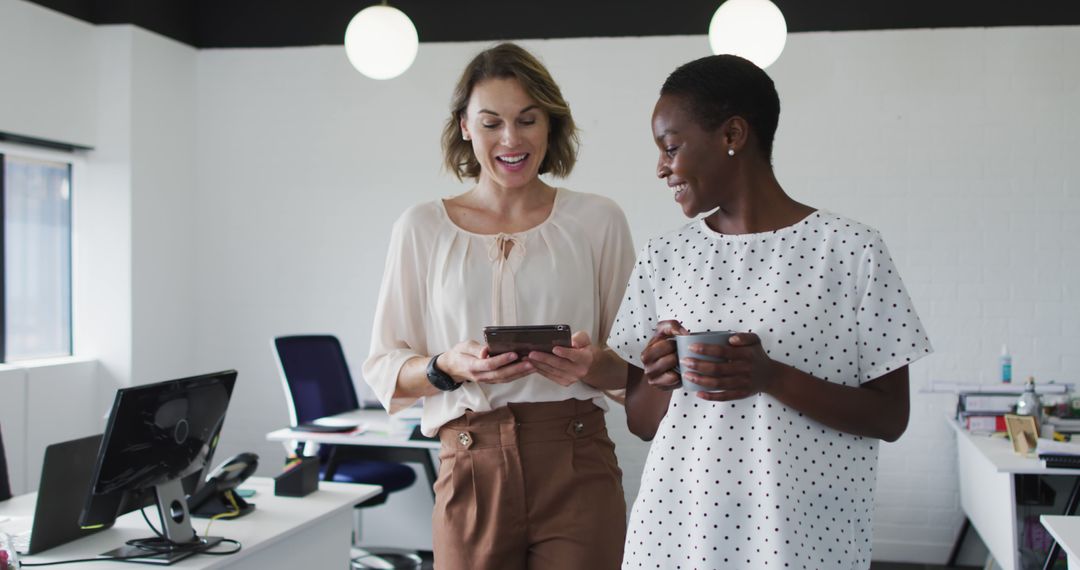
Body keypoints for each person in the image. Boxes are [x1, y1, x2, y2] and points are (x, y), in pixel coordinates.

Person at [608, 54, 933, 569]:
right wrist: (658, 375)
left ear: (732, 134)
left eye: (671, 148)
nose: (661, 167)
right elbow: (642, 424)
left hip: (804, 541)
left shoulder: (851, 250)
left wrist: (771, 376)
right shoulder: (663, 257)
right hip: (678, 537)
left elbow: (891, 417)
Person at [363, 43, 634, 570]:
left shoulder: (599, 221)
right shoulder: (420, 227)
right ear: (465, 127)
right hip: (469, 458)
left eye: (527, 120)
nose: (511, 139)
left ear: (550, 126)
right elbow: (384, 367)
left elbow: (637, 369)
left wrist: (592, 364)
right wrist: (446, 368)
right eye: (491, 123)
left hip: (577, 459)